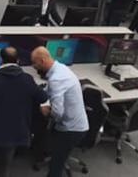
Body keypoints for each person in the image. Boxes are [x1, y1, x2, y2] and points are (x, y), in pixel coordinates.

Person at [0, 47, 48, 177]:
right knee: (4, 167)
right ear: (18, 60)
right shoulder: (27, 79)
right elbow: (43, 98)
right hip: (15, 132)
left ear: (1, 60)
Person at [31, 46, 89, 177]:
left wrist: (46, 111)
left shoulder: (56, 79)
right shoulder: (61, 68)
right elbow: (49, 91)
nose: (33, 66)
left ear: (42, 61)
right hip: (76, 122)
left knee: (56, 166)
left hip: (70, 129)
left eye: (34, 63)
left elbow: (58, 113)